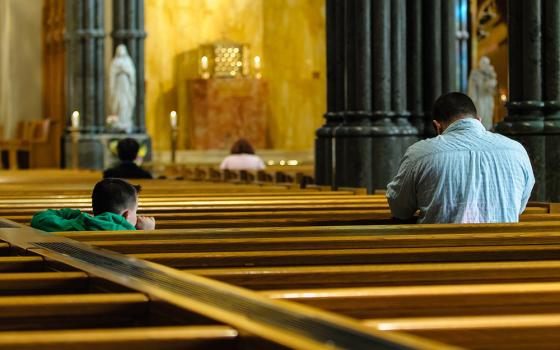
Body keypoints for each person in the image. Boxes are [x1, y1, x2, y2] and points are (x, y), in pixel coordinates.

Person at [386, 92, 535, 224]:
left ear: (437, 127)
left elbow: (400, 210)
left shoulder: (419, 154)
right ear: (479, 120)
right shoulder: (516, 150)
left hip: (440, 253)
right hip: (505, 252)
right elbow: (518, 207)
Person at [31, 178, 156, 232]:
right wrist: (147, 233)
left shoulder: (79, 225)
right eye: (136, 211)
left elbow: (39, 219)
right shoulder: (131, 234)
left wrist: (76, 214)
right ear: (127, 215)